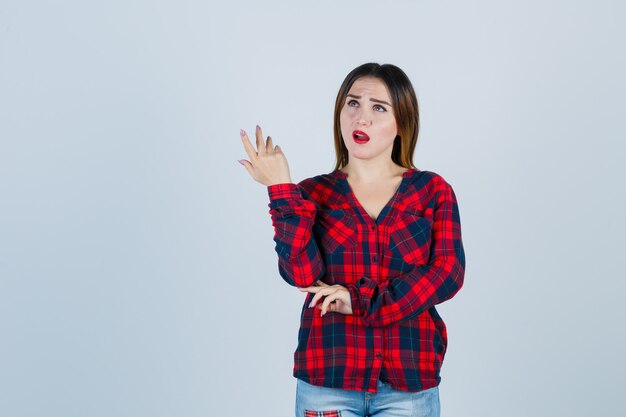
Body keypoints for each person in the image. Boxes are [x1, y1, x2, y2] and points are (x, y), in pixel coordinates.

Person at [238, 63, 465, 417]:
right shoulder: (311, 194)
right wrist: (281, 189)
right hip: (328, 382)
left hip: (408, 385)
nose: (362, 118)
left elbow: (447, 274)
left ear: (402, 123)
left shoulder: (431, 192)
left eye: (379, 107)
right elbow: (301, 274)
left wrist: (357, 300)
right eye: (353, 103)